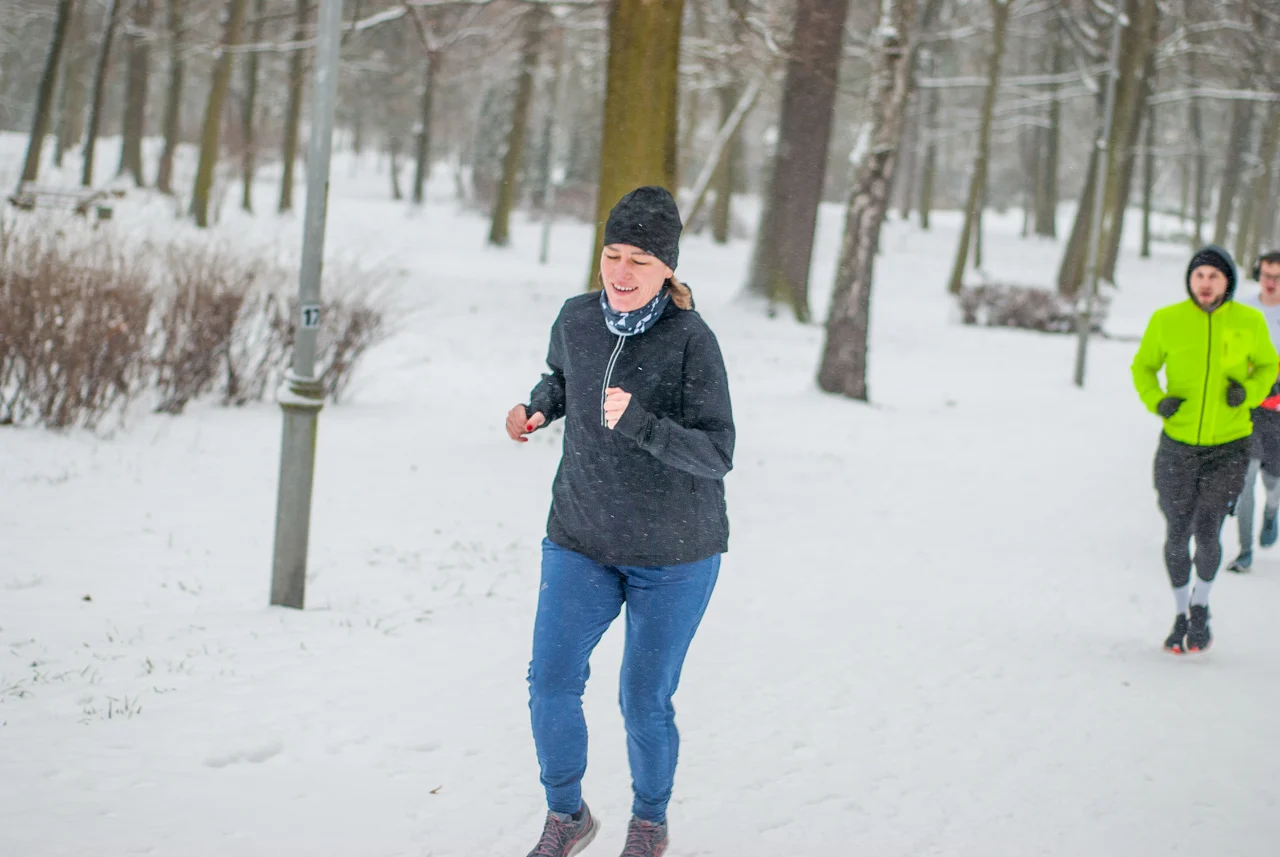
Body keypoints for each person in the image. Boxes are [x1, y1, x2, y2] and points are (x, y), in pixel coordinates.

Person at [505, 186, 734, 857]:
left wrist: (641, 424)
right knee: (550, 681)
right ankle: (566, 814)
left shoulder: (691, 340)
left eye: (640, 259)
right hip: (582, 537)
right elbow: (562, 378)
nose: (622, 271)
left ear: (668, 268)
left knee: (643, 698)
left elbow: (717, 452)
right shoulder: (577, 318)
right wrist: (539, 407)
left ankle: (649, 823)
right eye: (613, 254)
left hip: (675, 553)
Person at [1132, 245, 1278, 654]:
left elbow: (1269, 367)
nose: (1206, 283)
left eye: (1214, 276)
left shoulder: (1248, 321)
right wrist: (1156, 400)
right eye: (1199, 276)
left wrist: (1248, 392)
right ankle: (1181, 613)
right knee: (1177, 534)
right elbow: (1143, 367)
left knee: (1207, 529)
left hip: (1229, 447)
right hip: (1177, 447)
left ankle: (1201, 606)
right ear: (1190, 281)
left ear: (1227, 281)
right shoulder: (1167, 320)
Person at [1228, 250, 1280, 572]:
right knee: (1245, 479)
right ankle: (1245, 551)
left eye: (1277, 277)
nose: (1271, 282)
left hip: (1279, 414)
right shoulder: (1244, 309)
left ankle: (1272, 511)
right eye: (1266, 275)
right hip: (1249, 409)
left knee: (1272, 482)